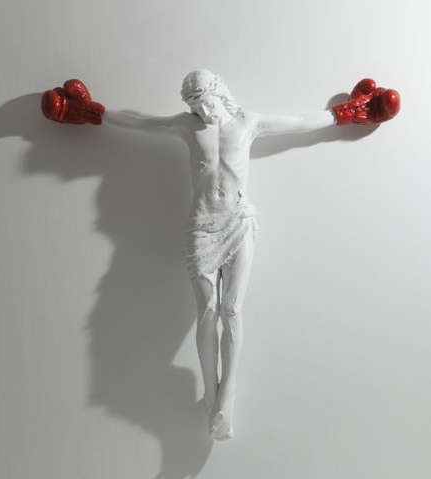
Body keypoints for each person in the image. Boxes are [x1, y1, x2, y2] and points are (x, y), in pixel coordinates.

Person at [41, 70, 400, 440]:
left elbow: (299, 121)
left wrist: (345, 113)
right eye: (194, 104)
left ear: (219, 92)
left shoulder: (248, 123)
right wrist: (92, 111)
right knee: (208, 310)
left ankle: (227, 395)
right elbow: (140, 121)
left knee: (231, 310)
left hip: (239, 223)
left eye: (204, 101)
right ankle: (210, 393)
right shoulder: (187, 126)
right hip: (201, 227)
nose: (202, 110)